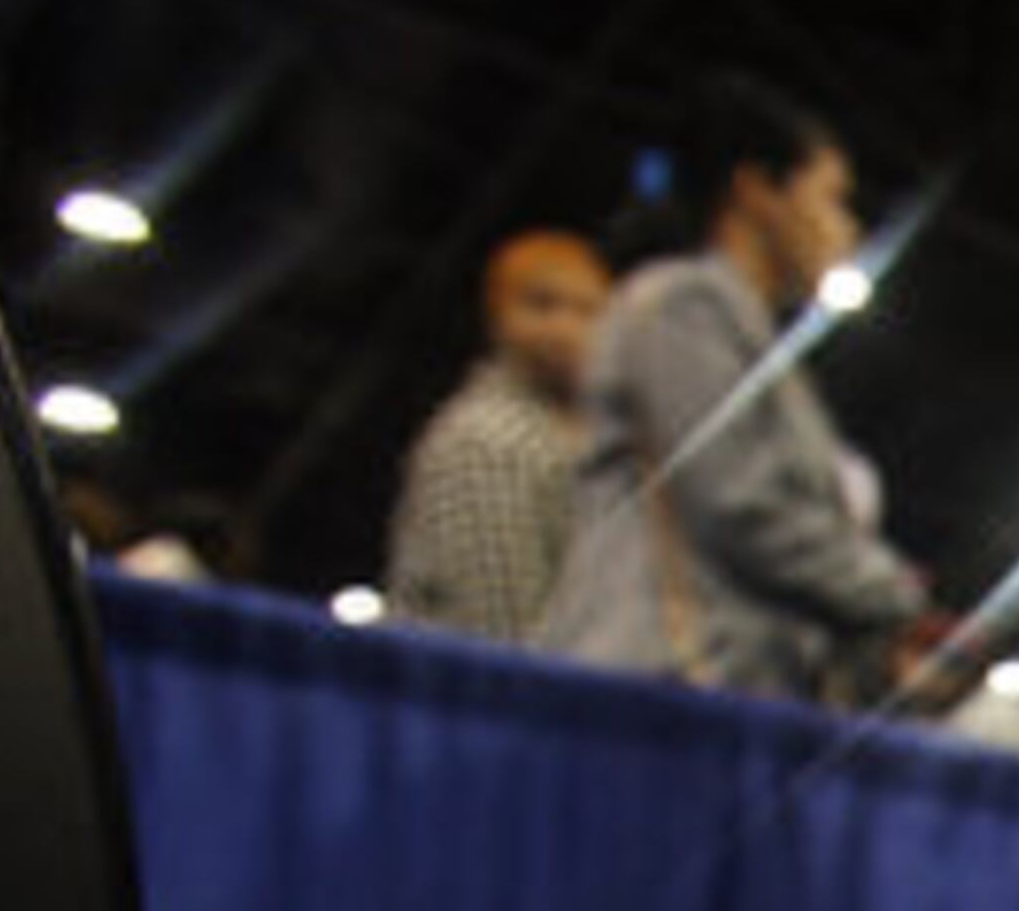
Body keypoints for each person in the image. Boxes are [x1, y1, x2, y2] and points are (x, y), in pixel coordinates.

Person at [539, 72, 924, 704]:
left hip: (725, 692)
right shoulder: (679, 305)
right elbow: (741, 506)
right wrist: (897, 596)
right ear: (757, 191)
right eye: (832, 199)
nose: (847, 229)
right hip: (653, 685)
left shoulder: (759, 349)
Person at [384, 229, 610, 643]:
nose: (566, 328)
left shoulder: (585, 438)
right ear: (497, 316)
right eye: (542, 305)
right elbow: (502, 635)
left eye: (588, 311)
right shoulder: (490, 440)